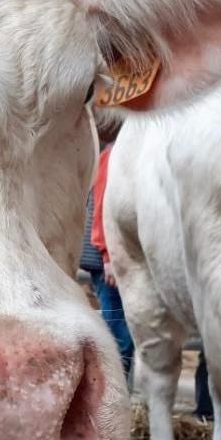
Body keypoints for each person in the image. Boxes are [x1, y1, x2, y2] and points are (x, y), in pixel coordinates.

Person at [81, 141, 134, 389]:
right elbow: (102, 205)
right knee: (119, 334)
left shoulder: (125, 152)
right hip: (107, 261)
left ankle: (117, 390)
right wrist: (107, 256)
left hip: (118, 257)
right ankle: (112, 391)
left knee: (125, 332)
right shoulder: (113, 155)